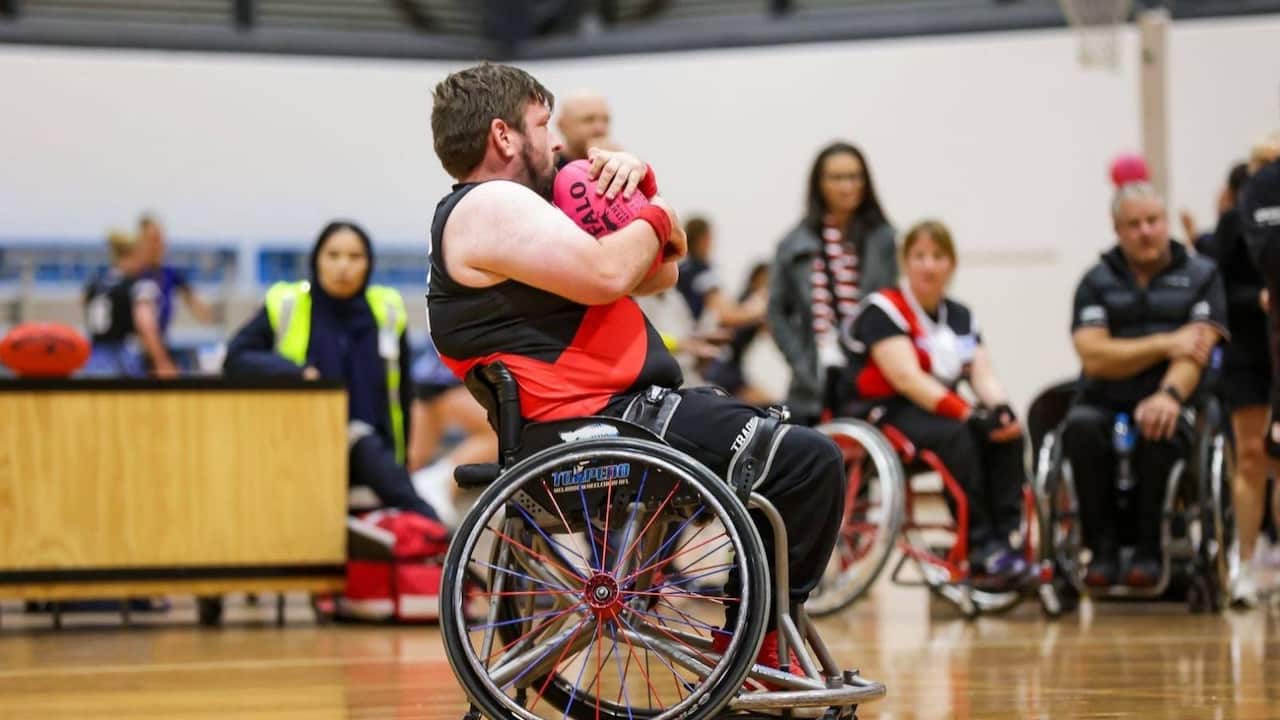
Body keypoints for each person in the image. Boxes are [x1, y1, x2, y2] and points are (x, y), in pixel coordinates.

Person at [427, 62, 844, 672]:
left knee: (792, 456)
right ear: (504, 135)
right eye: (544, 126)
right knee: (809, 462)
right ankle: (759, 644)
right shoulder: (490, 204)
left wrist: (637, 185)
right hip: (602, 424)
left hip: (625, 414)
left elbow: (660, 270)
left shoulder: (522, 208)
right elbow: (610, 274)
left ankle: (753, 636)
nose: (559, 142)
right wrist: (656, 210)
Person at [843, 220, 1029, 587]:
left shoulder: (960, 315)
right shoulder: (884, 309)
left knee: (1008, 433)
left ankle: (1006, 537)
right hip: (884, 410)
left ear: (952, 264)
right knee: (959, 436)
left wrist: (1001, 408)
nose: (929, 265)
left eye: (938, 256)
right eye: (920, 256)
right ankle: (978, 543)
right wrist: (968, 414)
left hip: (939, 407)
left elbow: (982, 373)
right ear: (906, 263)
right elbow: (907, 379)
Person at [1063, 182, 1228, 588]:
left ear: (1165, 221)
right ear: (1117, 228)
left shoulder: (1201, 275)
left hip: (1173, 396)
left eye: (1153, 220)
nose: (1146, 231)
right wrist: (1166, 341)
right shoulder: (1096, 280)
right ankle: (1099, 550)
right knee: (1079, 427)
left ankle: (1150, 549)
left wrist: (1168, 395)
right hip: (1104, 397)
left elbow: (1196, 351)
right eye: (1134, 224)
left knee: (1160, 426)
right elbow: (1094, 355)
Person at [223, 221, 438, 521]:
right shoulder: (287, 303)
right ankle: (445, 539)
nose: (343, 266)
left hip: (379, 457)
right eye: (333, 255)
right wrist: (296, 373)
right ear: (317, 260)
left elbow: (402, 390)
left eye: (354, 257)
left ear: (368, 263)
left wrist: (406, 455)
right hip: (302, 446)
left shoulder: (388, 310)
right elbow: (236, 358)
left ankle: (442, 540)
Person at [769, 141, 898, 425]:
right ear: (819, 184)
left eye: (854, 176)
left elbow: (895, 305)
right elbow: (776, 311)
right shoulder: (795, 243)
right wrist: (801, 362)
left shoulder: (884, 239)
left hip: (871, 373)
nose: (847, 186)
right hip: (815, 378)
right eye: (837, 178)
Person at [1190, 162, 1269, 606]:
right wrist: (1256, 299)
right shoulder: (1234, 224)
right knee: (1252, 455)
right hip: (1246, 350)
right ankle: (1246, 559)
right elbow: (1215, 284)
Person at [82, 230, 179, 378]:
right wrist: (162, 361)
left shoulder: (97, 283)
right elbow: (146, 325)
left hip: (94, 358)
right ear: (135, 255)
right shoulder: (139, 286)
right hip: (121, 359)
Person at [703, 262, 776, 405]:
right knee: (766, 405)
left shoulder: (750, 304)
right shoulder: (752, 304)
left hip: (734, 369)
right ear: (755, 279)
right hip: (724, 369)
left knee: (767, 404)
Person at [676, 216, 767, 329]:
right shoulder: (702, 273)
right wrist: (760, 309)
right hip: (697, 337)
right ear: (704, 239)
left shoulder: (681, 268)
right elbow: (726, 316)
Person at [137, 214, 215, 335]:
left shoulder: (169, 271)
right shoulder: (136, 273)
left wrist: (210, 322)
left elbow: (193, 300)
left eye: (161, 239)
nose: (159, 244)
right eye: (154, 240)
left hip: (162, 336)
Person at [554, 90, 611, 166]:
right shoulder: (547, 170)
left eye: (605, 120)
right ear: (562, 125)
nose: (600, 129)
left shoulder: (617, 166)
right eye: (589, 120)